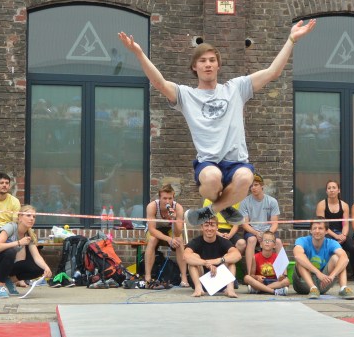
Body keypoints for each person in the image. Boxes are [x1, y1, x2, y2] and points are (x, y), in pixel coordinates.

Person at [118, 19, 317, 228]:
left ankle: (212, 210)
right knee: (213, 178)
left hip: (236, 161)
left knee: (246, 178)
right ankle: (225, 206)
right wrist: (139, 53)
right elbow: (159, 82)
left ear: (218, 65)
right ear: (195, 66)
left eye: (212, 60)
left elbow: (272, 72)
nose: (208, 64)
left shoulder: (236, 88)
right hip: (209, 163)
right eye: (203, 60)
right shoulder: (187, 95)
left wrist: (291, 40)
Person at [0, 205, 52, 298]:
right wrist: (19, 242)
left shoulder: (29, 234)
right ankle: (0, 287)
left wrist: (47, 268)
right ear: (20, 217)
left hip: (7, 266)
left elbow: (37, 257)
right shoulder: (10, 227)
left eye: (34, 217)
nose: (31, 219)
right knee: (10, 251)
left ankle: (9, 281)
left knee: (39, 268)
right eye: (28, 215)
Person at [293, 221, 354, 299]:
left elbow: (345, 258)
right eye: (314, 228)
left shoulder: (331, 243)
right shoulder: (302, 240)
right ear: (311, 231)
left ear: (326, 231)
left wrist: (332, 276)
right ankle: (313, 288)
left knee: (338, 259)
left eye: (320, 228)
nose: (317, 231)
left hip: (323, 283)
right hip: (303, 284)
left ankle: (343, 288)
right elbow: (298, 256)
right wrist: (318, 273)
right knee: (300, 259)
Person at [183, 215, 242, 298]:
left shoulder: (223, 241)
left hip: (219, 280)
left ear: (217, 227)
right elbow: (186, 256)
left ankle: (230, 289)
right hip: (201, 278)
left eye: (212, 225)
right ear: (202, 227)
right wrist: (205, 263)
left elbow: (237, 255)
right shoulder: (196, 241)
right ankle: (198, 288)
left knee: (230, 260)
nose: (209, 228)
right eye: (206, 225)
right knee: (193, 257)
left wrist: (218, 260)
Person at [239, 173, 284, 279]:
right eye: (251, 186)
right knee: (251, 240)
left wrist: (267, 235)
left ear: (262, 186)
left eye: (255, 185)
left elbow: (275, 223)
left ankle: (281, 275)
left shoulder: (272, 201)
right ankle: (250, 274)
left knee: (277, 242)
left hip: (268, 231)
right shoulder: (245, 202)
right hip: (253, 231)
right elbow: (245, 224)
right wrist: (256, 233)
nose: (253, 188)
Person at [143, 184, 188, 287]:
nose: (167, 201)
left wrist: (175, 219)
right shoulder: (152, 206)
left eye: (170, 198)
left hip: (169, 229)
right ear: (160, 198)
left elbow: (178, 233)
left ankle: (184, 277)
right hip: (155, 229)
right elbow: (152, 230)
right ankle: (148, 277)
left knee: (180, 240)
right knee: (153, 239)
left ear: (173, 197)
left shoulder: (178, 208)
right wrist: (168, 239)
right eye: (164, 198)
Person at [315, 179, 354, 278]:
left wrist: (343, 236)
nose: (331, 190)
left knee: (352, 247)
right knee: (325, 247)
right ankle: (323, 272)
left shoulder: (344, 206)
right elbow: (322, 225)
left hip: (341, 233)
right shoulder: (321, 205)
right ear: (326, 191)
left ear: (338, 190)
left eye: (334, 188)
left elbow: (346, 224)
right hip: (326, 233)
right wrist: (335, 236)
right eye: (329, 188)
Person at [243, 230, 290, 295]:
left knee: (286, 281)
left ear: (274, 245)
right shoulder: (255, 257)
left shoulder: (277, 257)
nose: (267, 242)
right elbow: (252, 275)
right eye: (265, 240)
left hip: (274, 281)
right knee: (247, 278)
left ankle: (259, 290)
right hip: (261, 281)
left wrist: (282, 277)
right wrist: (257, 277)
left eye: (270, 241)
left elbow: (282, 276)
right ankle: (274, 291)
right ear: (261, 244)